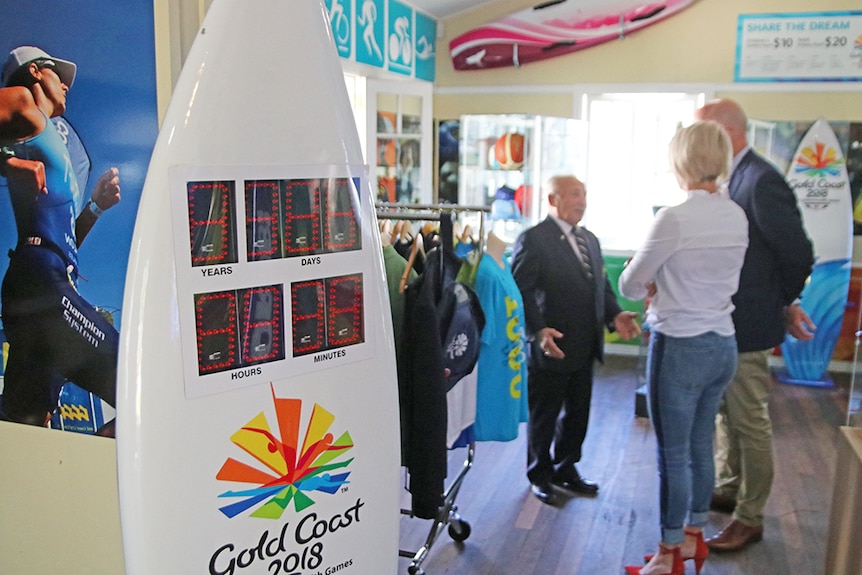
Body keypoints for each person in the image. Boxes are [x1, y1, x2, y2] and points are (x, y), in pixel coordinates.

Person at [619, 121, 749, 575]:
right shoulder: (736, 214)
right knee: (700, 445)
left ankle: (669, 553)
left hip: (680, 346)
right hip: (723, 344)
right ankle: (695, 537)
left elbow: (631, 284)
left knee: (672, 455)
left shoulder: (673, 218)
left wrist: (655, 277)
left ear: (681, 160)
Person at [694, 98, 815, 552]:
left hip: (750, 323)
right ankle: (729, 485)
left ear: (725, 134)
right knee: (727, 414)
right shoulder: (733, 178)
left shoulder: (762, 181)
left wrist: (781, 302)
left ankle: (751, 515)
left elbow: (797, 253)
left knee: (749, 419)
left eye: (702, 133)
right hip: (727, 321)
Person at [0, 46, 121, 434]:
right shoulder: (24, 105)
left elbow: (65, 242)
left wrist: (96, 208)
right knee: (145, 385)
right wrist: (9, 162)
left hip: (45, 280)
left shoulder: (54, 143)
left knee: (25, 429)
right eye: (59, 75)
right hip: (41, 288)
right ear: (35, 72)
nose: (67, 85)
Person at [511, 174, 640, 505]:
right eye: (572, 195)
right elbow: (520, 290)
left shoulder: (590, 240)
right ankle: (540, 474)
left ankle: (566, 467)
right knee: (546, 415)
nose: (580, 201)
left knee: (577, 414)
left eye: (582, 194)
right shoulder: (534, 239)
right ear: (553, 200)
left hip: (585, 344)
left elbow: (602, 287)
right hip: (551, 345)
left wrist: (615, 314)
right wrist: (537, 331)